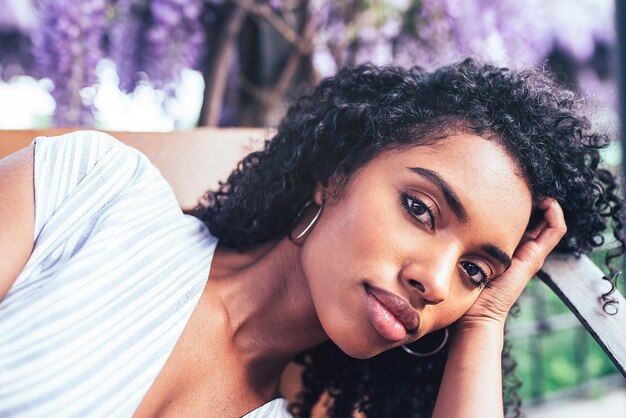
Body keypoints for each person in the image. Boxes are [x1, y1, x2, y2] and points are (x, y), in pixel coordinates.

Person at [0, 59, 622, 418]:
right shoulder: (87, 194)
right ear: (335, 174)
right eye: (420, 209)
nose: (435, 282)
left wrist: (485, 321)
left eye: (475, 271)